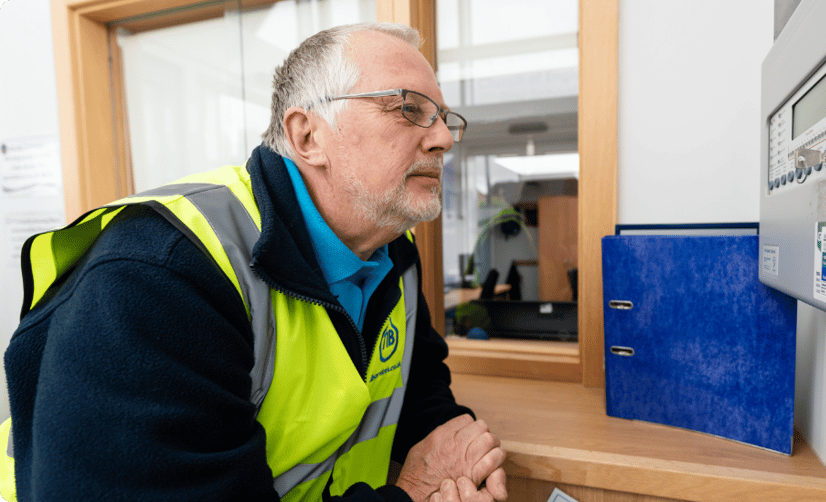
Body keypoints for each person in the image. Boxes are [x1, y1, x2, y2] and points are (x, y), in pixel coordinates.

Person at [0, 23, 507, 502]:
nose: (443, 138)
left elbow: (414, 384)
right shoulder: (160, 275)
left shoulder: (393, 250)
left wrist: (456, 450)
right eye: (409, 108)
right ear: (308, 135)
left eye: (444, 117)